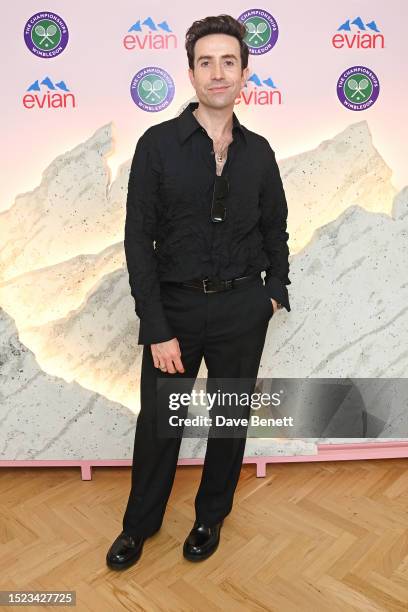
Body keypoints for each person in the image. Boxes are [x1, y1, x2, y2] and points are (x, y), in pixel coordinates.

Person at [106, 14, 291, 571]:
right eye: (205, 62)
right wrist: (157, 327)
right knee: (161, 424)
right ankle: (139, 526)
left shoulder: (259, 151)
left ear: (244, 73)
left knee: (229, 423)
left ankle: (210, 518)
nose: (217, 73)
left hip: (242, 307)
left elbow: (275, 225)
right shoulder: (157, 145)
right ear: (190, 73)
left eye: (228, 62)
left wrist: (273, 293)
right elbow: (139, 240)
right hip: (176, 307)